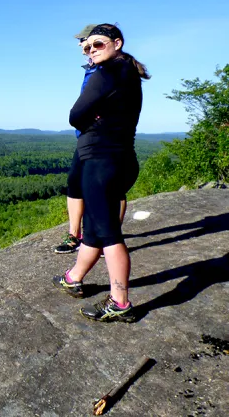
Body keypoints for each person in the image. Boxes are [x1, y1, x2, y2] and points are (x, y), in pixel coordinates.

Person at [52, 23, 150, 322]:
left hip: (101, 161)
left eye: (97, 44)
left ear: (116, 43)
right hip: (119, 159)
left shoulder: (106, 74)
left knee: (107, 232)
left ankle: (120, 303)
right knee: (94, 226)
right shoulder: (128, 73)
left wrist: (89, 114)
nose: (91, 51)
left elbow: (74, 115)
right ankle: (73, 278)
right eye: (87, 48)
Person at [54, 25, 127, 254]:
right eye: (84, 43)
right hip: (86, 136)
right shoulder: (92, 67)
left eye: (88, 42)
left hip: (107, 138)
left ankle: (109, 239)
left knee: (112, 188)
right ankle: (75, 235)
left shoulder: (114, 67)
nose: (83, 46)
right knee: (75, 185)